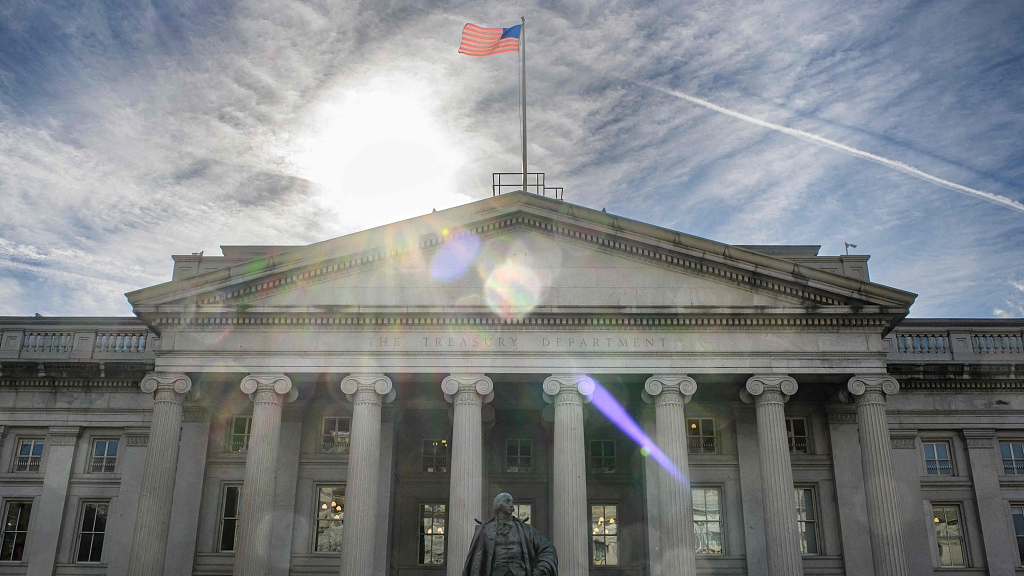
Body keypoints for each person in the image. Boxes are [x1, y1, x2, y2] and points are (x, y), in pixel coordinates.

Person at [461, 493, 558, 576]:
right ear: (498, 505)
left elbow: (548, 548)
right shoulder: (486, 530)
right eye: (507, 501)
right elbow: (477, 559)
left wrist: (541, 568)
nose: (511, 504)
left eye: (512, 501)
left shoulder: (526, 530)